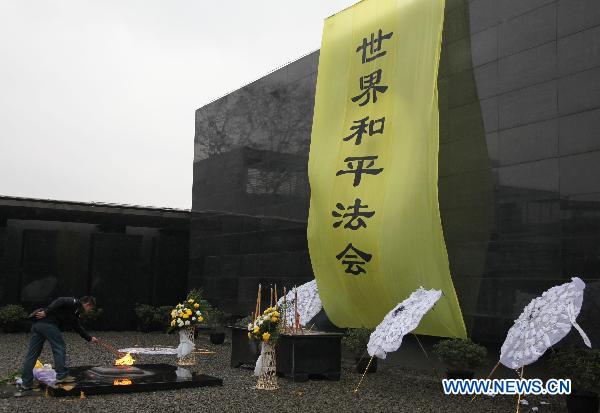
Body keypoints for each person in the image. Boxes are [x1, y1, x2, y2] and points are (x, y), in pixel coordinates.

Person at [19, 296, 99, 391]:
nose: (89, 310)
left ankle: (26, 383)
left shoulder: (74, 312)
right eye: (90, 308)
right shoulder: (75, 303)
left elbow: (77, 326)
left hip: (37, 326)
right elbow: (60, 300)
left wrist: (89, 338)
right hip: (48, 325)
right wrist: (46, 312)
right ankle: (62, 375)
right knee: (59, 347)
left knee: (32, 354)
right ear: (87, 304)